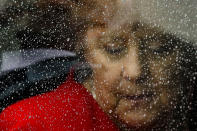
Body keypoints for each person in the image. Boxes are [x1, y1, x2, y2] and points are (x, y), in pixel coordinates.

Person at [0, 0, 196, 130]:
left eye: (159, 48)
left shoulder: (186, 110)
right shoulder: (34, 124)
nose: (135, 71)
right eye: (113, 49)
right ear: (85, 52)